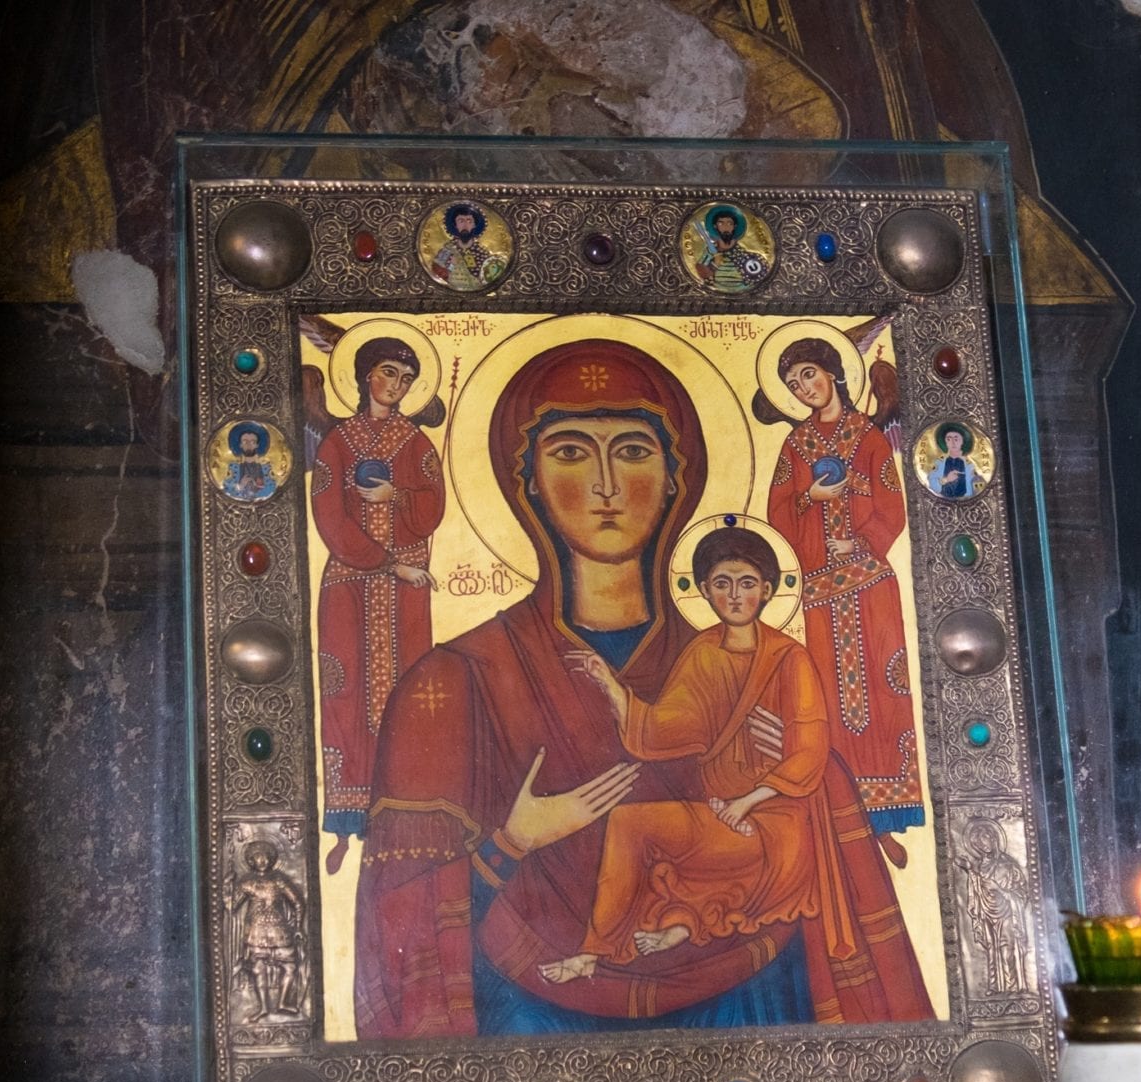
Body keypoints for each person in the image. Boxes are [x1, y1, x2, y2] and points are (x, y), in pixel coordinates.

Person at [353, 339, 932, 1037]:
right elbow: (399, 934)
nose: (605, 485)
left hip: (752, 1007)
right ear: (525, 478)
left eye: (632, 451)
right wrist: (510, 841)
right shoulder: (453, 682)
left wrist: (794, 780)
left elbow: (815, 841)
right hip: (529, 1031)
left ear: (674, 478)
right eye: (569, 451)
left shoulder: (760, 667)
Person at [545, 525, 910, 999]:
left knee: (715, 849)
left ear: (766, 589)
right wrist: (610, 687)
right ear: (704, 589)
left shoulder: (788, 659)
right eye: (721, 583)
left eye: (746, 583)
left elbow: (809, 751)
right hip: (723, 812)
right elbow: (659, 731)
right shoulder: (701, 655)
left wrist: (748, 800)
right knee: (629, 823)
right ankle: (593, 952)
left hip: (778, 826)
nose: (734, 596)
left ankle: (680, 924)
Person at [764, 337, 925, 865]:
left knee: (885, 691)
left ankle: (887, 823)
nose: (804, 388)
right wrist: (812, 497)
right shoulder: (796, 447)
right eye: (793, 385)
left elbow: (892, 506)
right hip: (821, 597)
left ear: (832, 372)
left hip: (871, 587)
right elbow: (777, 515)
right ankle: (850, 823)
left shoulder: (870, 437)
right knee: (831, 706)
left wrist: (859, 540)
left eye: (808, 374)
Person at [311, 336, 446, 875]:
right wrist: (385, 562)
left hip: (406, 591)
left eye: (407, 379)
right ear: (367, 376)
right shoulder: (337, 443)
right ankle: (346, 824)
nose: (397, 385)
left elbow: (433, 507)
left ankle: (402, 816)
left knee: (410, 694)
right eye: (389, 373)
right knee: (345, 693)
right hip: (351, 583)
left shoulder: (416, 443)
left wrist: (397, 499)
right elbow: (329, 516)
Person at [231, 842, 304, 1021]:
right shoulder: (247, 881)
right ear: (251, 860)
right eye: (258, 856)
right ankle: (263, 1008)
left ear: (271, 859)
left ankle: (283, 1002)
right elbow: (233, 906)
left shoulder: (279, 879)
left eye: (265, 856)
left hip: (279, 929)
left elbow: (297, 902)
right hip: (256, 931)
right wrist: (227, 889)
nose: (262, 860)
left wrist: (299, 926)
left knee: (290, 965)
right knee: (258, 968)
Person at [428, 202, 506, 290]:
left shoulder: (482, 253)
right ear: (455, 225)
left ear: (474, 225)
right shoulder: (447, 250)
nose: (465, 225)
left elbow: (489, 276)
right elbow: (437, 273)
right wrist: (452, 266)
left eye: (469, 221)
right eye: (461, 221)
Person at [696, 204, 767, 292]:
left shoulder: (746, 256)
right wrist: (715, 264)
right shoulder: (710, 251)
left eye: (730, 223)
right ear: (715, 226)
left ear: (735, 226)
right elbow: (702, 273)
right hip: (718, 291)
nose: (726, 227)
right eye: (721, 223)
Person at [221, 423, 277, 501]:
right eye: (245, 441)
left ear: (257, 445)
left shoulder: (266, 468)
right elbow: (227, 489)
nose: (248, 445)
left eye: (252, 442)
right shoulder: (233, 467)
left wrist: (256, 490)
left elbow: (271, 489)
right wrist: (240, 486)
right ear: (240, 444)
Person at [931, 422, 980, 500]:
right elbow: (931, 483)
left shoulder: (970, 465)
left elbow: (976, 487)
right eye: (949, 439)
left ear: (963, 441)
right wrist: (946, 479)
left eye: (956, 439)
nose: (953, 443)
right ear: (945, 442)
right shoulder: (939, 463)